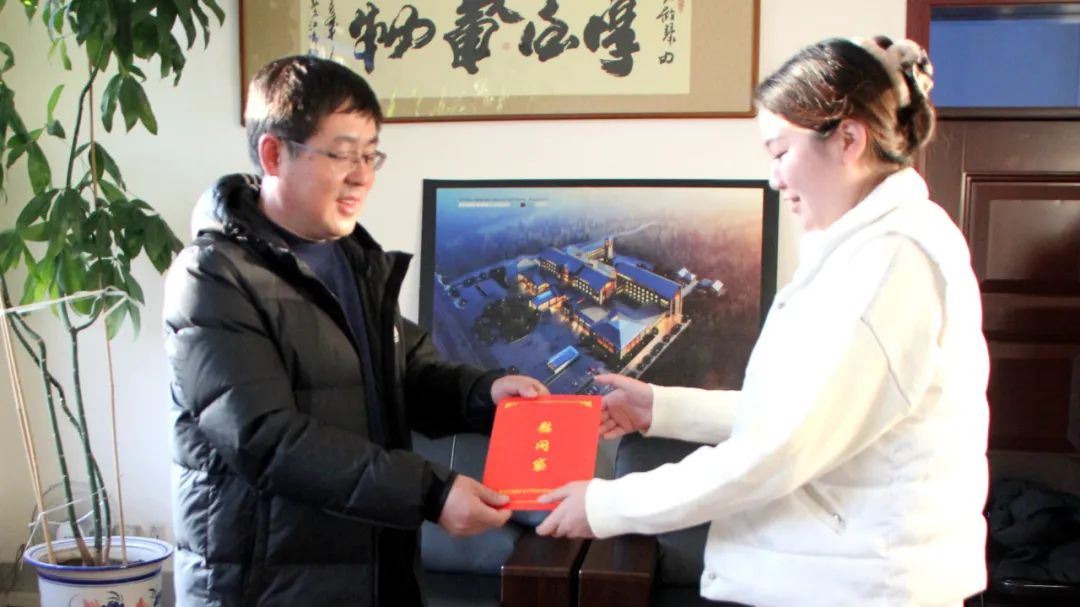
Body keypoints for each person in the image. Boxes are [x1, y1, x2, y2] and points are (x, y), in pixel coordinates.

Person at [536, 35, 990, 607]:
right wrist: (662, 408)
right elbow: (797, 412)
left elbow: (781, 447)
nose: (774, 179)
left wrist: (608, 505)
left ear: (848, 139)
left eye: (780, 152)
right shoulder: (864, 251)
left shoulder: (892, 260)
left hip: (860, 587)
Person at [162, 55, 547, 607]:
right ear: (273, 154)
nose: (362, 176)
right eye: (342, 154)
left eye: (370, 155)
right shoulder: (212, 276)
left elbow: (406, 371)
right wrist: (431, 493)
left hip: (370, 569)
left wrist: (484, 394)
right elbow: (266, 438)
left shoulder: (351, 260)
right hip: (265, 585)